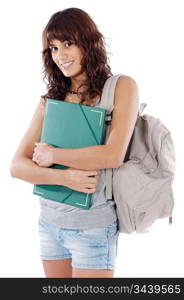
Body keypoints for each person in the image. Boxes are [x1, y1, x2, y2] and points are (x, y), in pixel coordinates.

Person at [10, 7, 139, 278]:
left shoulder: (120, 87)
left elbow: (112, 155)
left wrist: (54, 155)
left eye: (68, 43)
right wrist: (65, 179)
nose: (60, 55)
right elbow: (17, 167)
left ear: (88, 42)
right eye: (54, 48)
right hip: (49, 224)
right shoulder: (50, 100)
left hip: (92, 227)